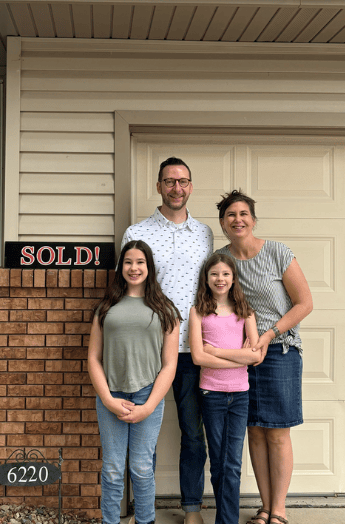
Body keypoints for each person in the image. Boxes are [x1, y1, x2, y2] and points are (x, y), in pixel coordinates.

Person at [122, 157, 214, 524]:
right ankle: (144, 511)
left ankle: (192, 508)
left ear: (190, 187)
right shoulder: (137, 232)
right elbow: (130, 287)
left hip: (194, 351)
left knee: (193, 433)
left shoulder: (205, 233)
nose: (177, 187)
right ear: (158, 186)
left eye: (184, 181)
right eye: (170, 181)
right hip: (149, 350)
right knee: (145, 431)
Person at [215, 190, 313, 524]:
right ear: (223, 224)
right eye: (230, 215)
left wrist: (269, 334)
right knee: (254, 432)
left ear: (253, 220)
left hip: (279, 352)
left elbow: (304, 303)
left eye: (243, 213)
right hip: (242, 356)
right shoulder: (222, 260)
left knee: (277, 432)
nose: (237, 219)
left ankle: (280, 510)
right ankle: (266, 506)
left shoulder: (276, 253)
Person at [88, 239, 181, 524]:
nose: (134, 267)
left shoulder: (166, 310)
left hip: (147, 396)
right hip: (111, 395)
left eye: (140, 262)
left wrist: (149, 406)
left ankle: (145, 520)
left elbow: (169, 365)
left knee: (142, 468)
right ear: (121, 267)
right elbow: (93, 357)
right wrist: (107, 399)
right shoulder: (106, 307)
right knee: (114, 469)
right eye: (128, 262)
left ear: (149, 267)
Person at [189, 253, 261, 524]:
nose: (220, 279)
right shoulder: (198, 311)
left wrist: (216, 352)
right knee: (219, 463)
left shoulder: (245, 311)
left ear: (233, 278)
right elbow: (198, 357)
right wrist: (236, 356)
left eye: (225, 274)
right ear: (206, 279)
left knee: (232, 465)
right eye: (214, 274)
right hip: (212, 394)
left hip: (240, 395)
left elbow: (255, 356)